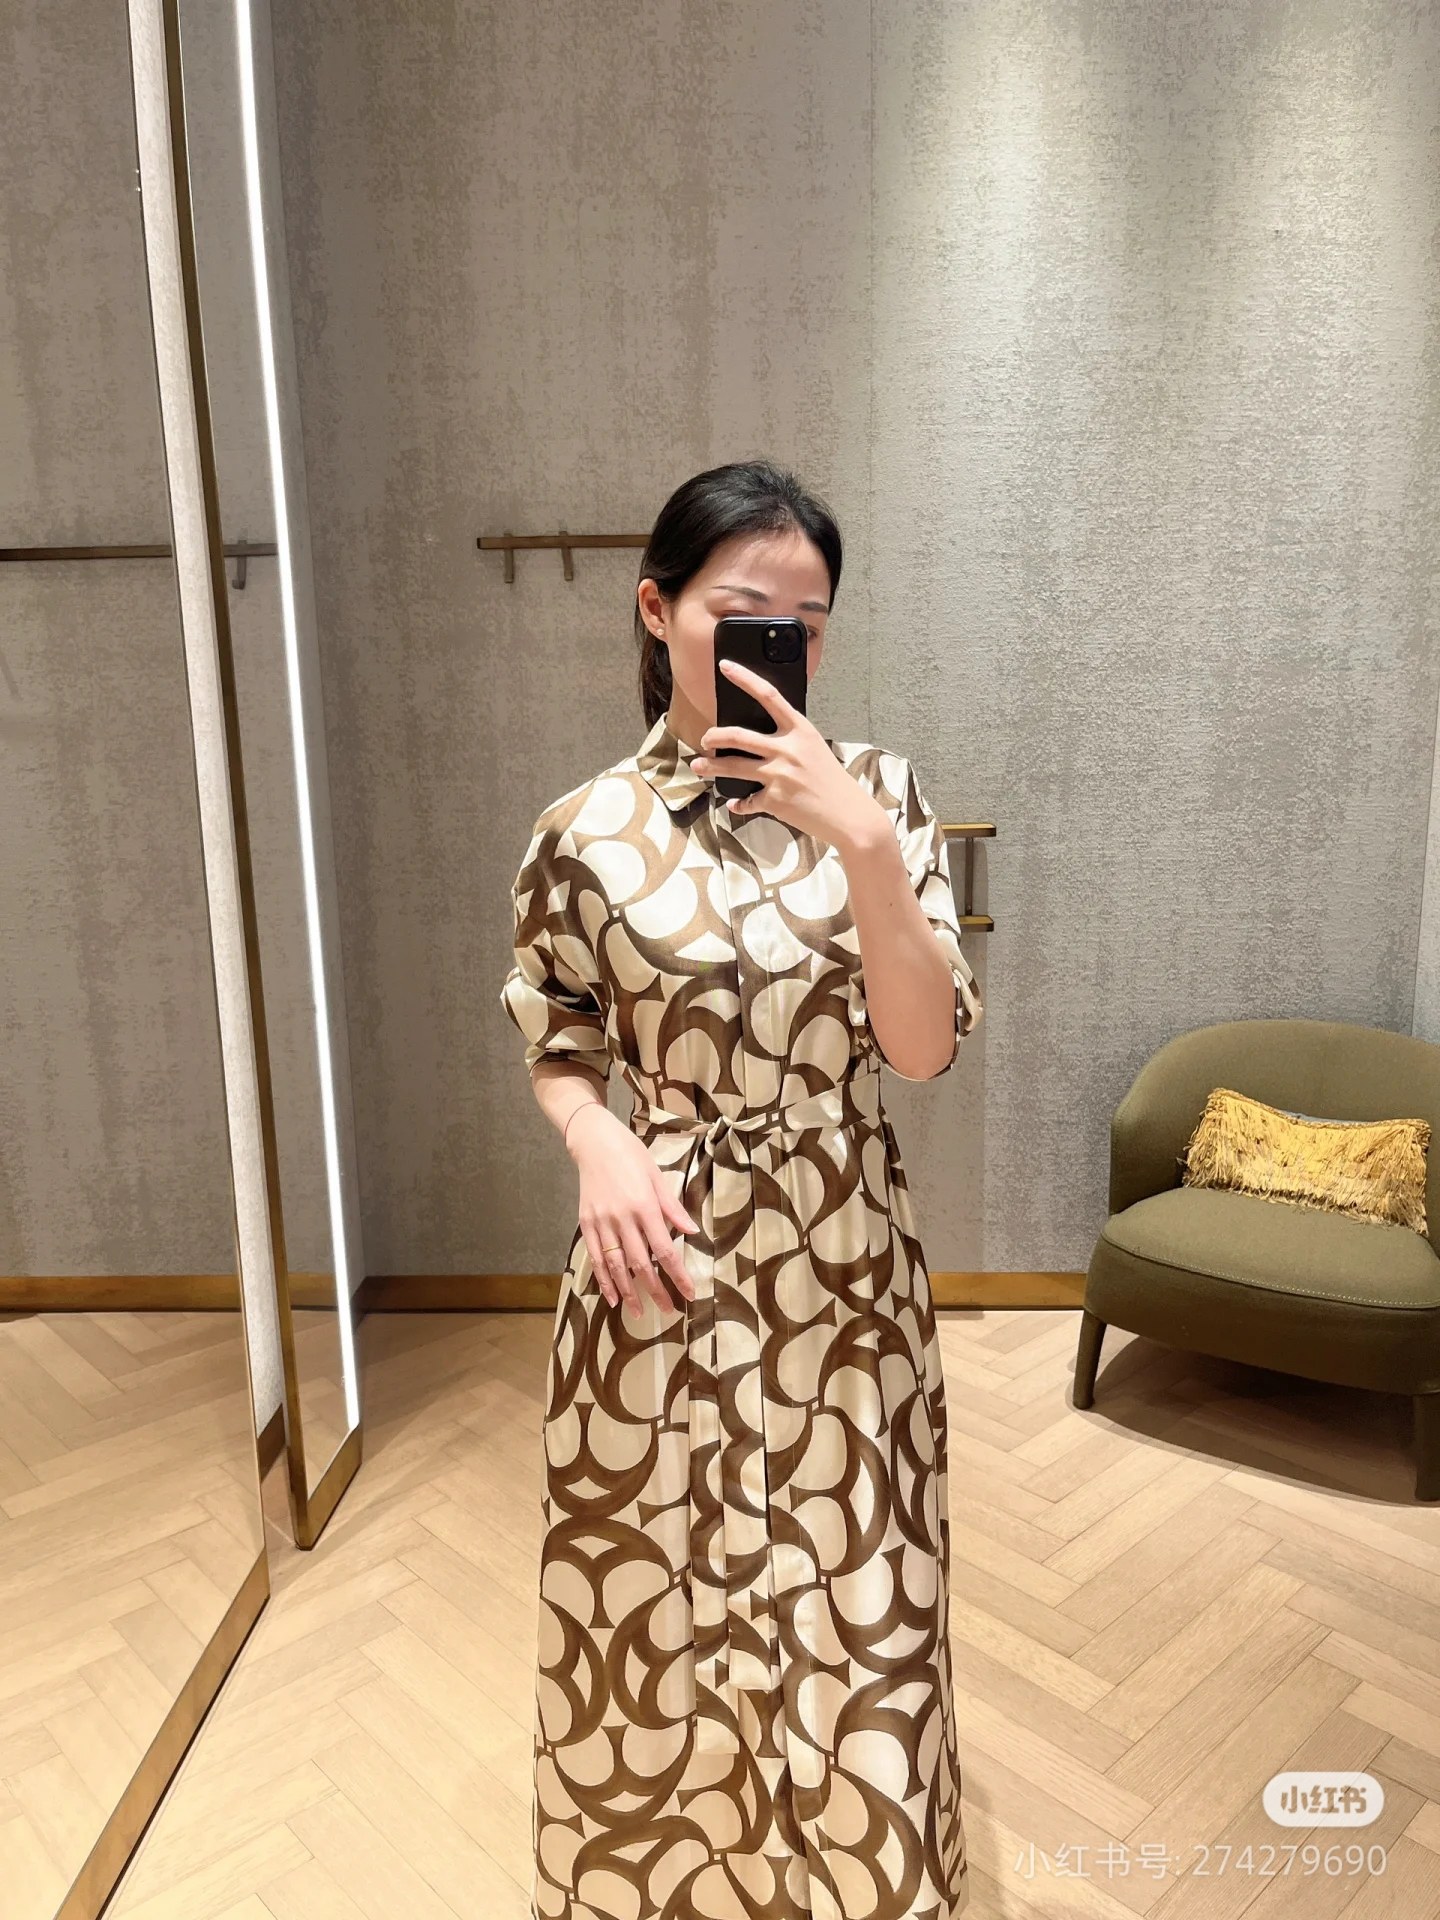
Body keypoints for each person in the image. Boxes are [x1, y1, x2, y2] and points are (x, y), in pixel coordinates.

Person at [500, 458, 983, 1920]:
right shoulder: (585, 829)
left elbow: (921, 1049)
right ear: (659, 612)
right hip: (663, 1257)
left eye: (808, 621)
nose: (782, 642)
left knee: (862, 1579)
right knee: (659, 1591)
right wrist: (596, 1141)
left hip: (844, 1259)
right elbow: (558, 1037)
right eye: (742, 609)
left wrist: (865, 850)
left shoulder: (884, 798)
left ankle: (868, 1877)